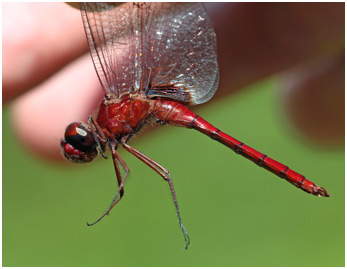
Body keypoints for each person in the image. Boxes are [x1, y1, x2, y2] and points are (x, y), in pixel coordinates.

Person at [3, 3, 344, 161]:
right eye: (77, 143)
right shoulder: (111, 122)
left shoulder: (111, 117)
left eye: (77, 141)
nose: (75, 142)